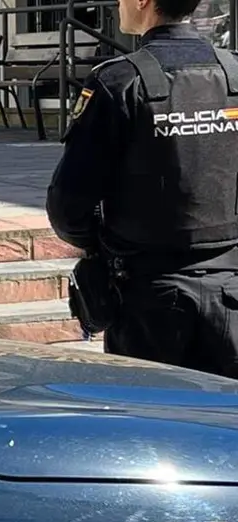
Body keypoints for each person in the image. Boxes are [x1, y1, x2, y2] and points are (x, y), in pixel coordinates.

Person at [46, 0, 238, 377]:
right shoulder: (233, 73)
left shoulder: (119, 82)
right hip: (231, 292)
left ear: (143, 1)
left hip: (148, 300)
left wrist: (99, 246)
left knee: (152, 422)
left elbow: (69, 206)